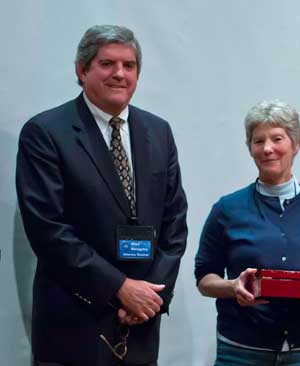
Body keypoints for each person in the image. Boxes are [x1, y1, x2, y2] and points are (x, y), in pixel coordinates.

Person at [16, 25, 188, 366]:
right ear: (82, 70)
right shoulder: (46, 132)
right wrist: (119, 288)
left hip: (140, 326)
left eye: (129, 65)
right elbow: (48, 230)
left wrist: (150, 295)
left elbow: (174, 223)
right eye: (107, 63)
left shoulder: (159, 131)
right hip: (73, 325)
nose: (119, 74)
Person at [195, 100, 300, 366]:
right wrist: (233, 287)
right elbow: (204, 279)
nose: (267, 149)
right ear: (250, 148)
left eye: (277, 138)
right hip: (241, 351)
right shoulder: (227, 209)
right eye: (258, 141)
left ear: (296, 144)